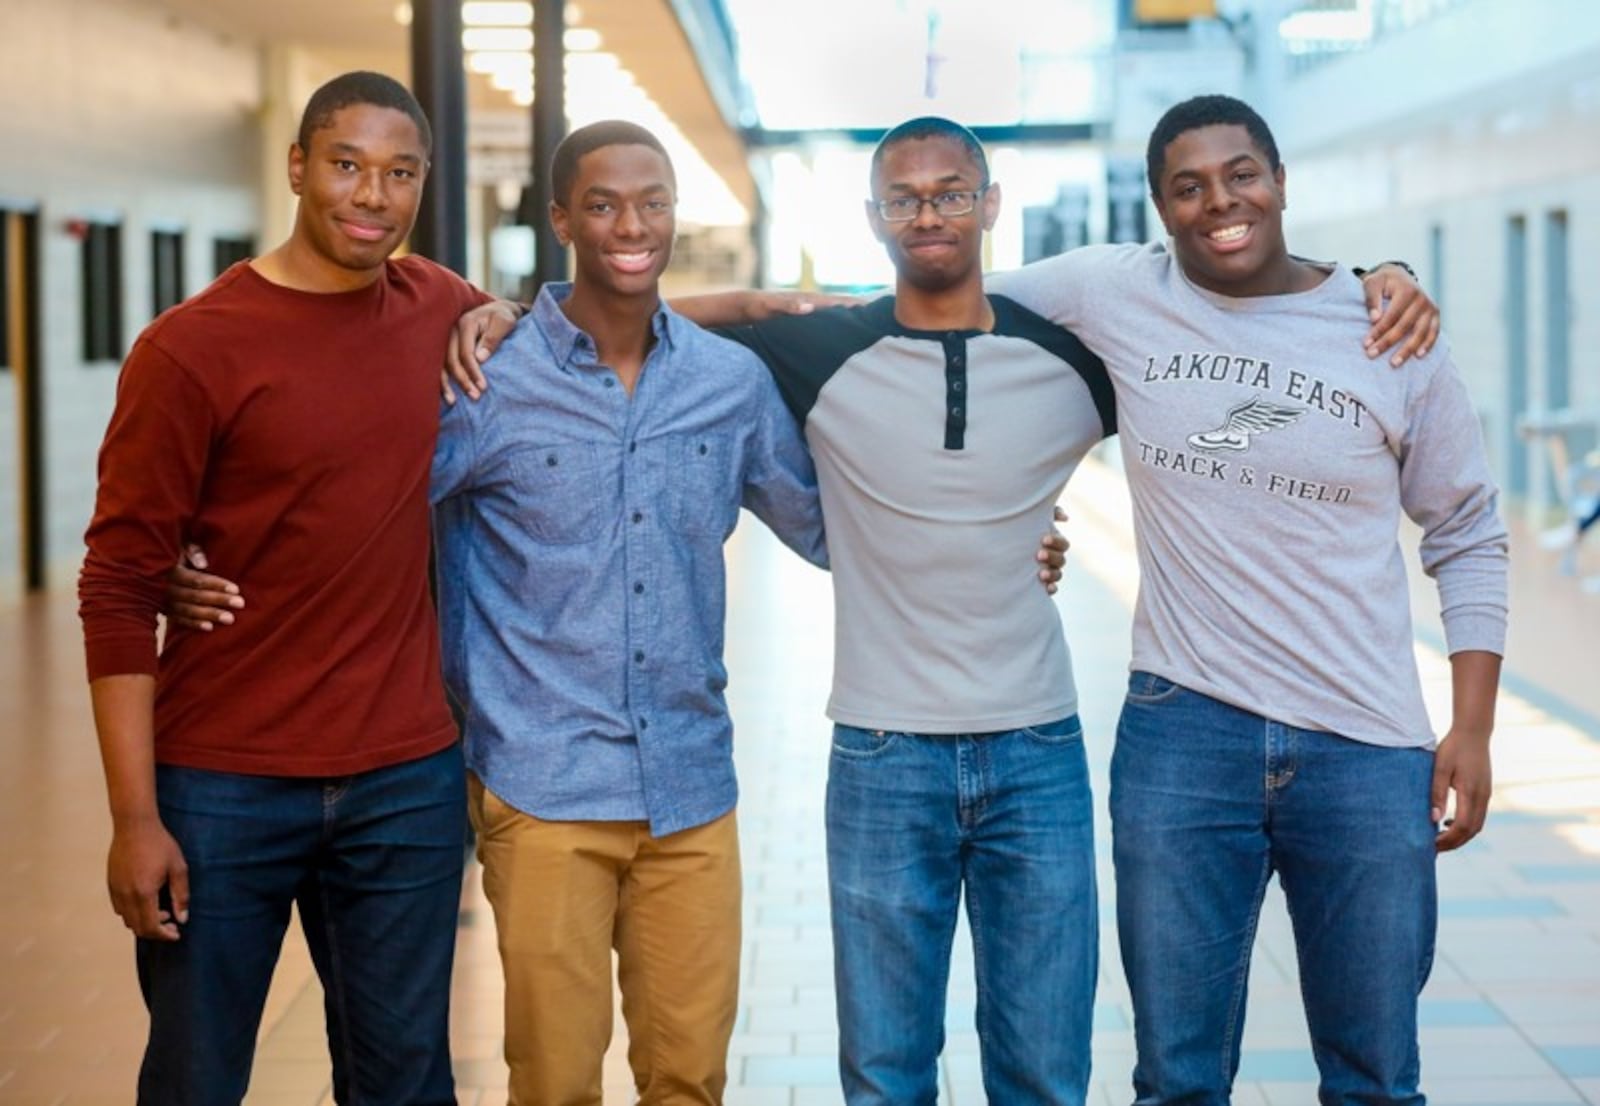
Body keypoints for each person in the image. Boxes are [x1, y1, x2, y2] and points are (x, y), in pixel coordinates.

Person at [445, 115, 1440, 1106]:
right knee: (883, 1076)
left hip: (1036, 752)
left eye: (952, 192)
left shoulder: (1077, 352)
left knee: (1042, 1073)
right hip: (880, 757)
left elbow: (1213, 321)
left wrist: (1366, 282)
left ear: (988, 203)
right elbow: (640, 312)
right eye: (905, 197)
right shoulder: (815, 348)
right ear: (873, 215)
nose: (930, 213)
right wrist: (520, 315)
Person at [986, 94, 1506, 1105]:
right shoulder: (1112, 287)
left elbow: (1467, 530)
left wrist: (1473, 726)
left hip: (1365, 745)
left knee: (1376, 1080)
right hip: (1184, 733)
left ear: (1279, 183)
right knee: (1177, 1079)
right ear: (1159, 208)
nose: (1218, 202)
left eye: (1240, 175)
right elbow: (943, 299)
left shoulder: (1388, 328)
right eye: (1187, 187)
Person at [78, 72, 491, 1104]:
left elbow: (587, 327)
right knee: (196, 1076)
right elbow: (119, 588)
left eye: (399, 173)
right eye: (346, 163)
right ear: (299, 166)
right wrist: (136, 818)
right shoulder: (191, 346)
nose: (372, 194)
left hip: (404, 777)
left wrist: (514, 310)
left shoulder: (441, 305)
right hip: (221, 780)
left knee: (404, 1079)